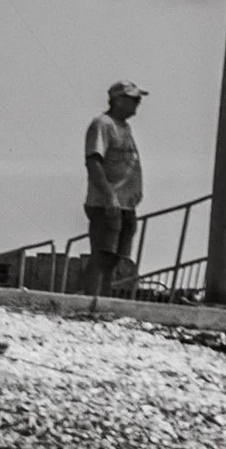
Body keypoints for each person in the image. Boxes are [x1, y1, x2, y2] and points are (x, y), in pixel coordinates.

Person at [83, 81, 147, 299]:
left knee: (116, 259)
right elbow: (94, 161)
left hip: (124, 204)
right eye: (133, 99)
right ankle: (91, 300)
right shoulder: (102, 124)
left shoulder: (124, 127)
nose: (138, 103)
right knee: (103, 255)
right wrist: (109, 196)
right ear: (118, 100)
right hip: (107, 203)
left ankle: (105, 300)